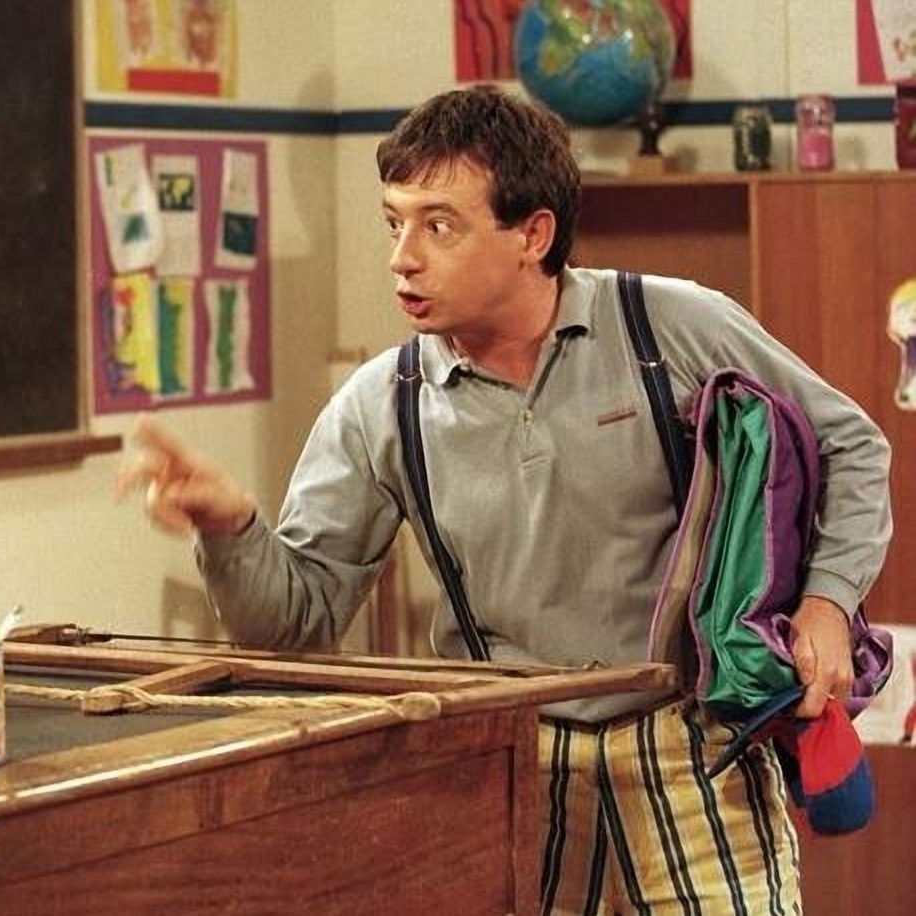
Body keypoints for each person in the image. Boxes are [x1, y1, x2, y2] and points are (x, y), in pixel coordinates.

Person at [118, 86, 891, 914]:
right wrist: (231, 528)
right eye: (393, 223)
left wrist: (825, 604)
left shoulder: (668, 327)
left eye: (438, 226)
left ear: (533, 235)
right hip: (510, 764)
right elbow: (294, 625)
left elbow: (852, 445)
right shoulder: (384, 403)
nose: (402, 257)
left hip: (690, 754)